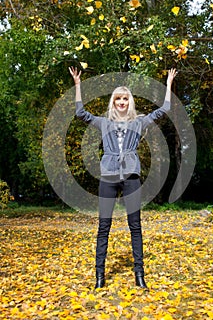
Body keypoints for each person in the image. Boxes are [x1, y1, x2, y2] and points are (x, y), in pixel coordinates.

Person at [69, 67, 177, 289]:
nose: (121, 102)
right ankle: (99, 277)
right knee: (104, 226)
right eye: (118, 98)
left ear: (130, 102)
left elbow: (165, 108)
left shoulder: (138, 122)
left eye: (125, 98)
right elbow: (81, 113)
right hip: (108, 177)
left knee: (135, 226)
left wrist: (168, 84)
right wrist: (78, 85)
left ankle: (140, 275)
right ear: (113, 102)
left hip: (131, 177)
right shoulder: (103, 122)